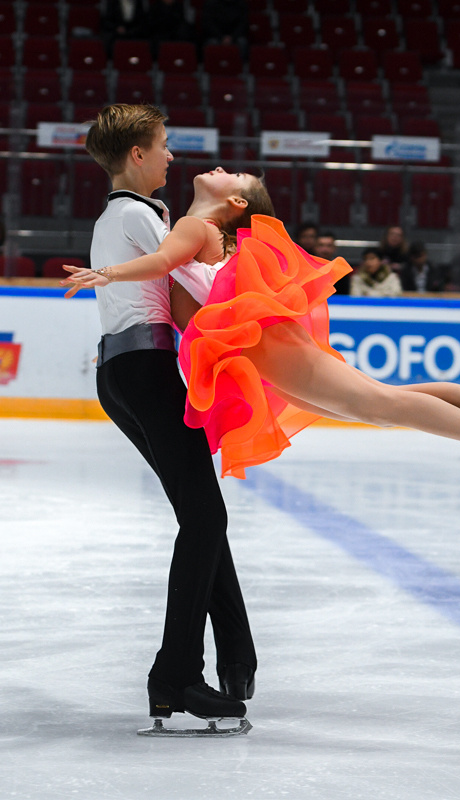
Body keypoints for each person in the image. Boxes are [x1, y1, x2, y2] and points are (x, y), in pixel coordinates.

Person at [63, 169, 460, 512]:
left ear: (237, 201)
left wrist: (106, 275)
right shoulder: (202, 231)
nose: (220, 169)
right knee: (383, 403)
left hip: (262, 341)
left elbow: (159, 266)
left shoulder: (194, 226)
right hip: (261, 341)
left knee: (383, 404)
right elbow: (170, 291)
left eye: (233, 174)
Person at [73, 105, 260, 730]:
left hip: (123, 374)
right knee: (206, 513)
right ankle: (175, 675)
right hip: (145, 372)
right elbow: (197, 285)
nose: (172, 156)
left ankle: (236, 653)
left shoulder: (123, 215)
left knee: (199, 512)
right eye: (163, 145)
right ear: (137, 157)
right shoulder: (135, 216)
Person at [315, 230, 349, 295]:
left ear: (334, 248)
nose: (325, 249)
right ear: (315, 247)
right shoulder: (308, 268)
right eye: (321, 245)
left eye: (329, 245)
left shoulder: (341, 270)